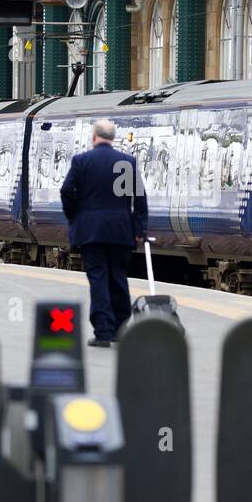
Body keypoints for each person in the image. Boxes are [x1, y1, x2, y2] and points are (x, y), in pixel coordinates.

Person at [60, 118, 147, 347]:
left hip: (91, 231)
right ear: (113, 138)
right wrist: (139, 228)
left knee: (98, 278)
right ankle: (120, 328)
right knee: (118, 277)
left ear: (94, 137)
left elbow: (66, 191)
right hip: (121, 231)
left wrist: (75, 217)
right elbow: (139, 199)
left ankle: (103, 331)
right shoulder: (127, 162)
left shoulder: (82, 161)